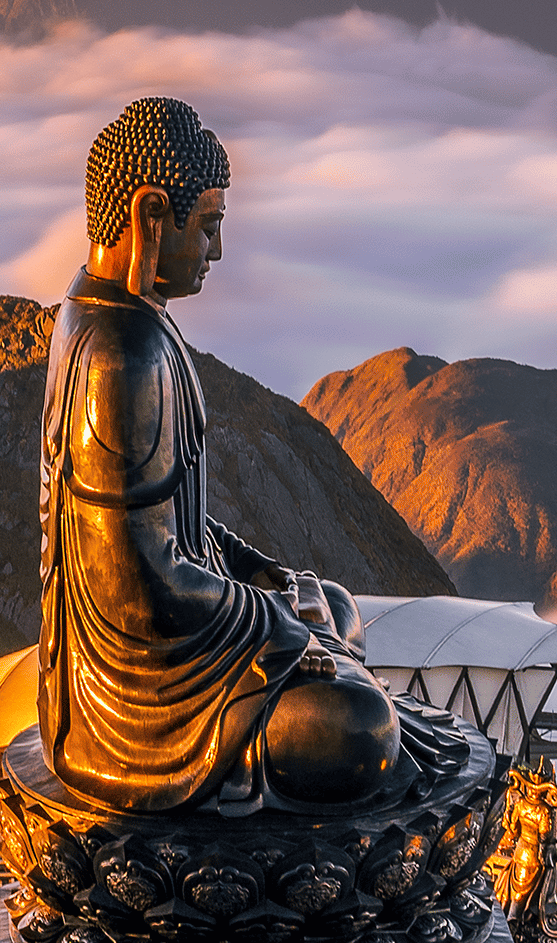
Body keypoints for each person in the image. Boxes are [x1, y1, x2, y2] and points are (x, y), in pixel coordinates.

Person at [36, 97, 427, 814]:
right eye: (208, 227)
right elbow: (140, 583)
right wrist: (276, 622)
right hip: (141, 700)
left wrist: (260, 574)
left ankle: (320, 655)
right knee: (356, 732)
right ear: (153, 216)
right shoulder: (118, 353)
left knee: (333, 603)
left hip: (187, 642)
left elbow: (170, 518)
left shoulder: (129, 322)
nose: (216, 252)